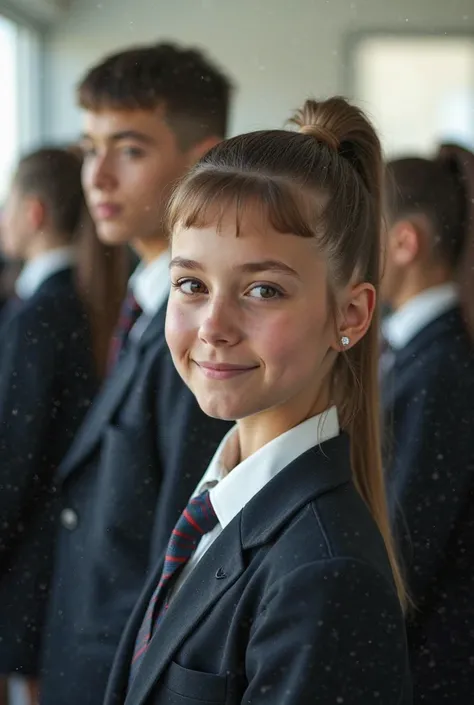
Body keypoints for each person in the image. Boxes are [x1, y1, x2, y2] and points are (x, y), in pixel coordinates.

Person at [104, 97, 412, 705]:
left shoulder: (324, 574)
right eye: (191, 284)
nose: (214, 325)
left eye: (263, 289)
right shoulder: (220, 503)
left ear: (349, 314)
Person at [40, 43, 233, 705]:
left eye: (129, 149)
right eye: (89, 148)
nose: (97, 177)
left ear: (202, 159)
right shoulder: (144, 302)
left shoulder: (205, 341)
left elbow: (175, 571)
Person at [0, 147, 127, 704]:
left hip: (34, 561)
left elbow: (14, 458)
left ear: (32, 213)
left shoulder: (38, 315)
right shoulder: (79, 301)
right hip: (61, 553)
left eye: (6, 203)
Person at [380, 145, 474, 704]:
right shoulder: (417, 354)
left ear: (404, 242)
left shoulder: (441, 368)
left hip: (433, 663)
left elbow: (408, 540)